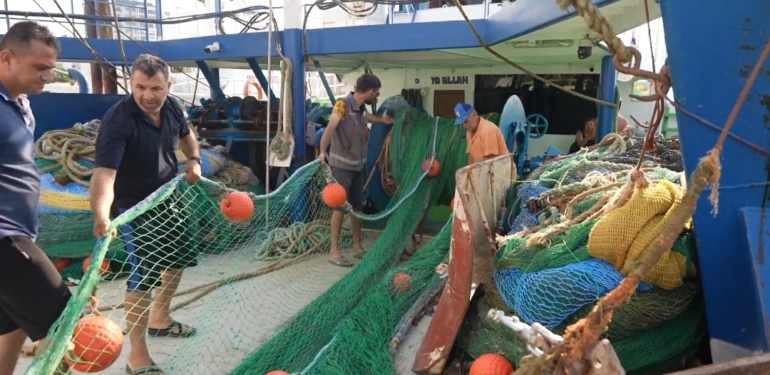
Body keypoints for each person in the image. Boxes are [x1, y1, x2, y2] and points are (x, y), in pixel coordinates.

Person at [90, 54, 202, 375]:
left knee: (178, 258)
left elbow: (186, 132)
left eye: (155, 88)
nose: (147, 95)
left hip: (168, 196)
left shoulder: (172, 108)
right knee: (144, 277)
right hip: (135, 206)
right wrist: (101, 214)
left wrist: (193, 158)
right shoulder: (119, 120)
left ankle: (160, 318)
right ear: (131, 83)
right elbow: (104, 174)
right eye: (140, 87)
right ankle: (137, 357)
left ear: (168, 86)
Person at [0, 21, 72, 375]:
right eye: (40, 68)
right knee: (64, 322)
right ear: (6, 59)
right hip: (4, 239)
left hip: (19, 234)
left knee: (11, 328)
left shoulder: (20, 103)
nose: (47, 76)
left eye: (51, 68)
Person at [317, 73, 394, 267]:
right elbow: (329, 129)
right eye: (376, 93)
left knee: (357, 207)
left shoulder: (360, 109)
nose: (376, 96)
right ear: (369, 91)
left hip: (358, 167)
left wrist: (382, 120)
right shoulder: (342, 105)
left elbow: (367, 117)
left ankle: (357, 247)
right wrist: (322, 153)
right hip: (341, 167)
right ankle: (334, 252)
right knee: (339, 208)